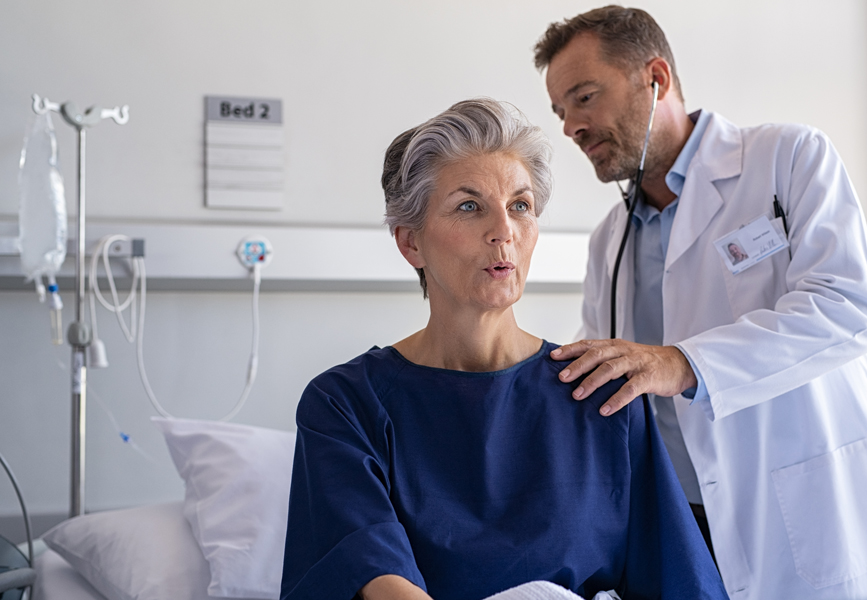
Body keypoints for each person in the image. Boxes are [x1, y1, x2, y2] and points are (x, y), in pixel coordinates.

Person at [533, 6, 867, 600]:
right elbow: (611, 382)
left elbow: (846, 308)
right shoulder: (608, 242)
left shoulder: (789, 159)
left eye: (584, 97)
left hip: (807, 507)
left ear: (656, 78)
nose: (571, 126)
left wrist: (683, 364)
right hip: (681, 525)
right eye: (560, 111)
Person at [280, 98, 727, 600]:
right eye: (469, 207)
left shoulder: (602, 392)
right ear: (411, 243)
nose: (504, 232)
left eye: (520, 206)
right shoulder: (347, 404)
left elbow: (682, 580)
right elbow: (370, 574)